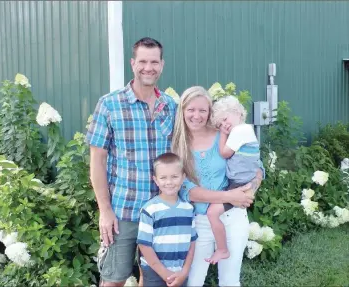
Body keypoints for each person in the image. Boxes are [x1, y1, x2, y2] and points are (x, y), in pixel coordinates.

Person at [86, 37, 177, 286]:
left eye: (154, 62)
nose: (149, 67)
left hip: (162, 211)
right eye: (143, 61)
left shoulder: (171, 107)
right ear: (132, 63)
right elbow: (97, 162)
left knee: (154, 279)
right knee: (113, 279)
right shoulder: (110, 104)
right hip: (124, 211)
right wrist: (105, 210)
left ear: (162, 65)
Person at [171, 86, 263, 287]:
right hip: (199, 221)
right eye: (191, 110)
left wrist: (249, 191)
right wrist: (230, 197)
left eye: (202, 110)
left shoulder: (224, 135)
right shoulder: (177, 145)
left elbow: (256, 167)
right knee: (193, 281)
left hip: (233, 217)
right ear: (182, 111)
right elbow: (187, 191)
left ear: (210, 112)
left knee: (229, 281)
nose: (197, 116)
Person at [204, 95, 261, 264]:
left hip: (240, 184)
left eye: (225, 119)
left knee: (212, 212)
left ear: (237, 112)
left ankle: (222, 249)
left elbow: (224, 153)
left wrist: (222, 133)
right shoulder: (243, 131)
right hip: (241, 181)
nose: (224, 125)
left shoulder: (240, 131)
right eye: (220, 124)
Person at [137, 152, 196, 287]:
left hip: (180, 273)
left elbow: (192, 243)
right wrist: (164, 273)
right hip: (154, 272)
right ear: (156, 180)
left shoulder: (188, 209)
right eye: (163, 178)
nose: (169, 182)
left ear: (183, 178)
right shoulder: (150, 209)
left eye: (174, 177)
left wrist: (185, 271)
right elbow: (144, 245)